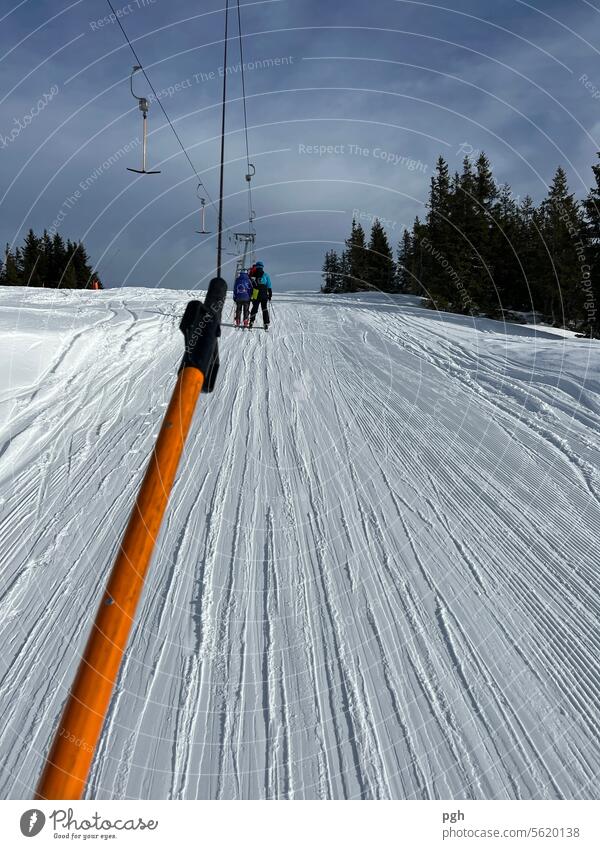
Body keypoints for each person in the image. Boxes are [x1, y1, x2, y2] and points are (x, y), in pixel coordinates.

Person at [248, 260, 272, 330]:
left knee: (255, 308)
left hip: (256, 293)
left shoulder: (253, 274)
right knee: (264, 308)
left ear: (256, 267)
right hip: (264, 293)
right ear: (262, 267)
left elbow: (250, 281)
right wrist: (270, 295)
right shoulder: (266, 275)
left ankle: (251, 322)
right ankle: (266, 323)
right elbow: (269, 286)